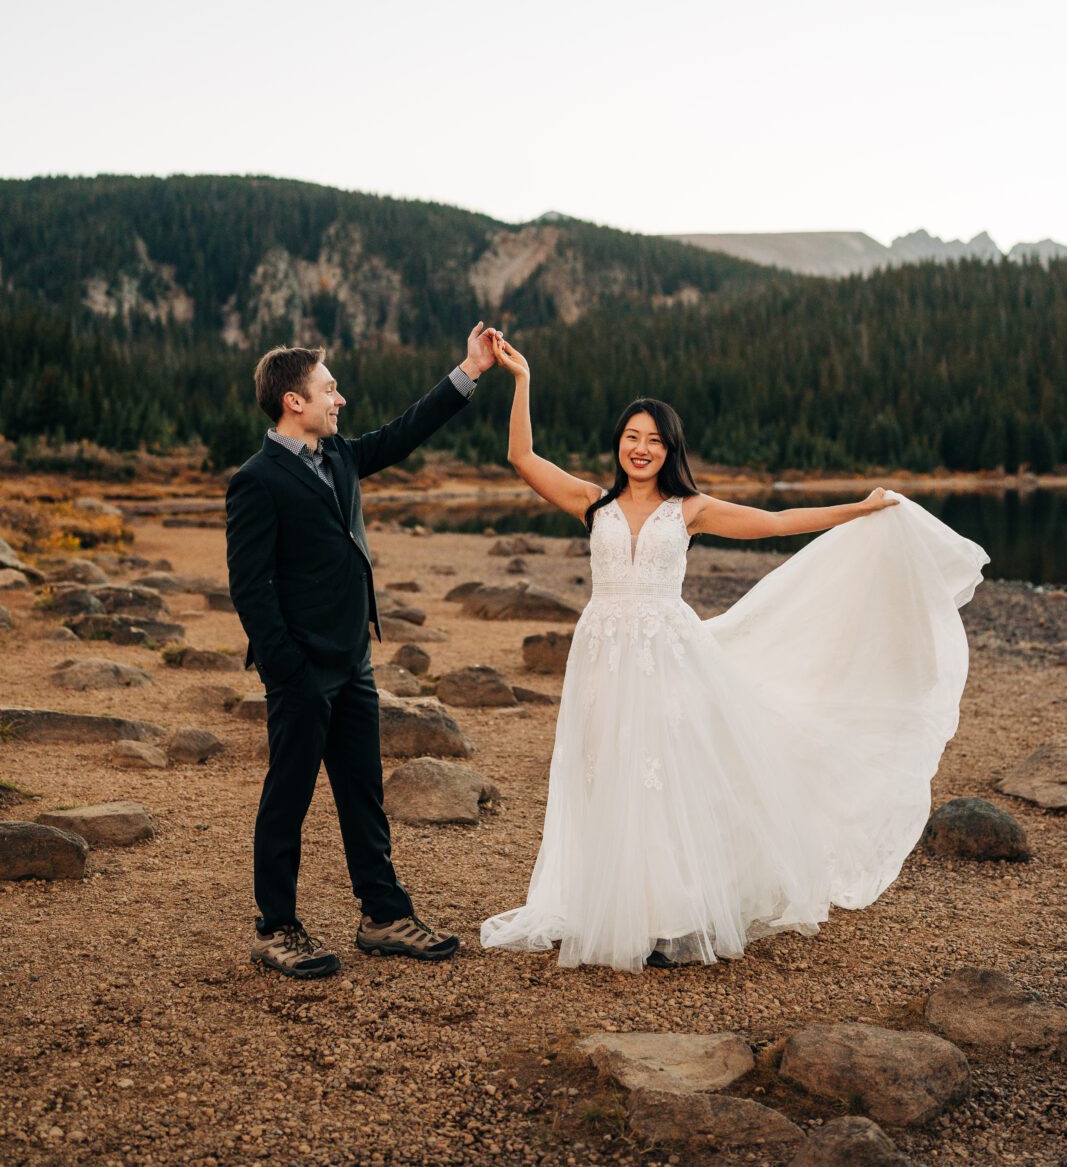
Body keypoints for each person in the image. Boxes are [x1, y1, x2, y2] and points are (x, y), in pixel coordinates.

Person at [480, 335, 988, 973]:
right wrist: (522, 379)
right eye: (632, 436)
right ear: (619, 444)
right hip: (603, 655)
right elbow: (521, 456)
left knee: (664, 778)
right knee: (605, 774)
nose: (642, 448)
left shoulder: (688, 509)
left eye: (655, 440)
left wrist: (860, 508)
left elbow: (776, 521)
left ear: (671, 451)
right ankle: (616, 910)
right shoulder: (593, 502)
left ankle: (673, 918)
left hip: (668, 654)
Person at [227, 323, 497, 978]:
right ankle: (276, 927)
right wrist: (286, 665)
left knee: (361, 792)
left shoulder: (340, 456)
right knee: (287, 797)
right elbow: (249, 586)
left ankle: (382, 916)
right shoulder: (256, 480)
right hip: (301, 670)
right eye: (328, 388)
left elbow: (404, 432)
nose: (338, 398)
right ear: (294, 400)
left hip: (353, 660)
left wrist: (468, 370)